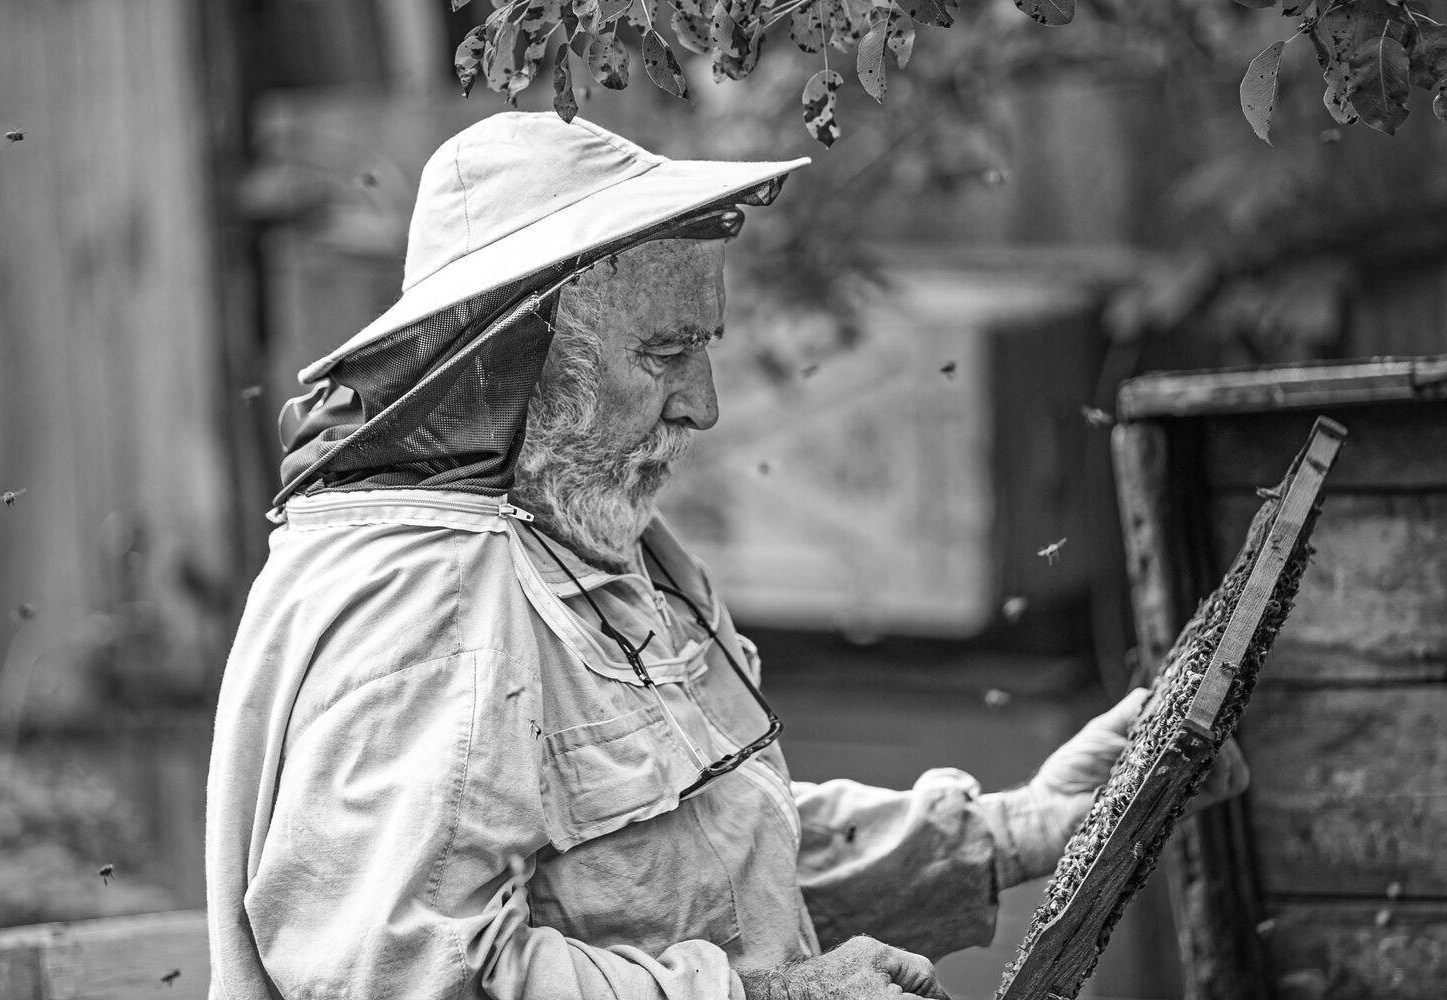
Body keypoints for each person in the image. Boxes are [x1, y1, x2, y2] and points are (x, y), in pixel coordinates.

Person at [205, 112, 1245, 1000]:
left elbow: (697, 860)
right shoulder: (433, 605)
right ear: (515, 358)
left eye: (702, 346)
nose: (702, 405)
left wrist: (1024, 825)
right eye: (663, 353)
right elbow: (397, 975)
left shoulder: (577, 546)